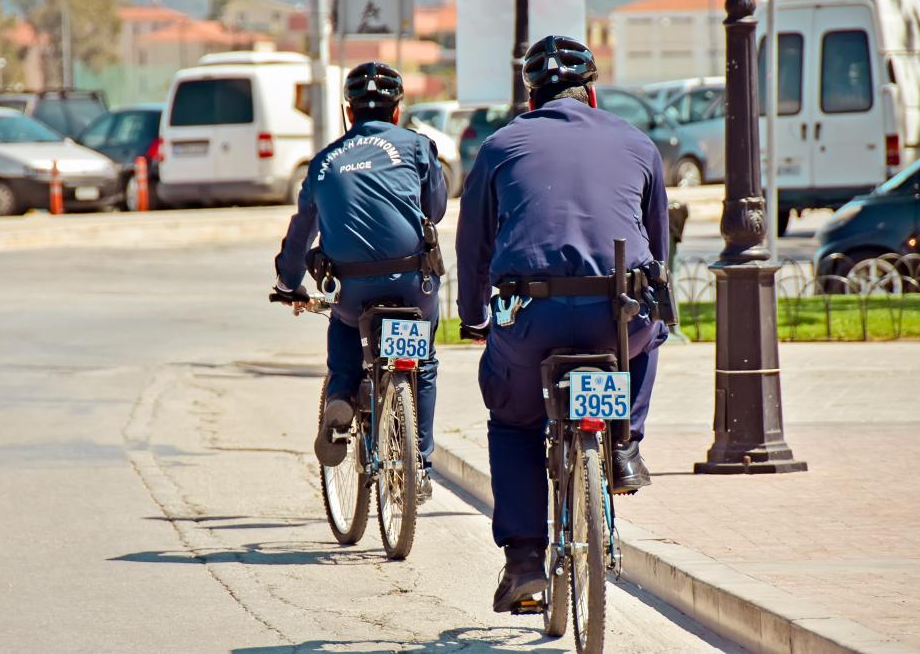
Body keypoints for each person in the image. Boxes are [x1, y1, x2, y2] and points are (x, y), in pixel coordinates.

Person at [455, 35, 670, 612]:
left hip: (532, 317)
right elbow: (658, 247)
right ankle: (624, 445)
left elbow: (474, 244)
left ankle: (525, 562)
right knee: (652, 337)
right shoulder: (637, 142)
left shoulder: (501, 145)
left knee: (515, 420)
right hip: (617, 317)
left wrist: (471, 316)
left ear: (531, 100)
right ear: (592, 92)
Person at [274, 62, 447, 501]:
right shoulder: (417, 146)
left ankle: (342, 394)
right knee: (421, 362)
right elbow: (437, 208)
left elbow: (301, 235)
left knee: (345, 325)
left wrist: (289, 280)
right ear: (398, 111)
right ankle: (420, 465)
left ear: (348, 112)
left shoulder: (325, 161)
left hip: (351, 291)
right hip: (413, 285)